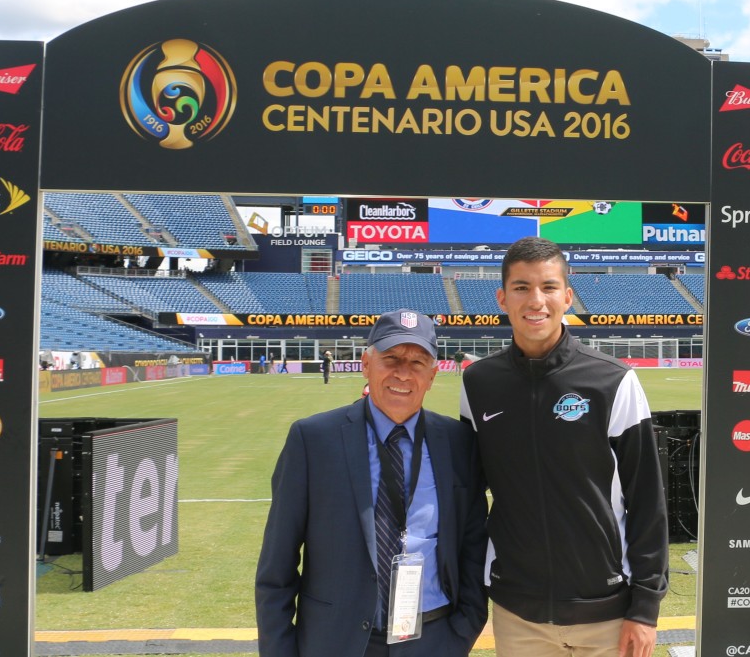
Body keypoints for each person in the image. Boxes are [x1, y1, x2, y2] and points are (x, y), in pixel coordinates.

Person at [459, 237, 668, 657]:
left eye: (548, 287)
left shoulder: (614, 381)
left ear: (567, 297)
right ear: (502, 297)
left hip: (607, 612)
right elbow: (467, 496)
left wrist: (645, 608)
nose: (535, 300)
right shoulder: (478, 383)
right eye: (521, 287)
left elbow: (647, 499)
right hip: (518, 614)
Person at [256, 309, 489, 657]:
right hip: (336, 642)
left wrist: (459, 634)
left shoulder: (459, 442)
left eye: (417, 362)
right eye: (391, 358)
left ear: (433, 375)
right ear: (366, 364)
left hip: (433, 640)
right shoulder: (314, 439)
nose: (402, 373)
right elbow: (278, 565)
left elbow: (473, 548)